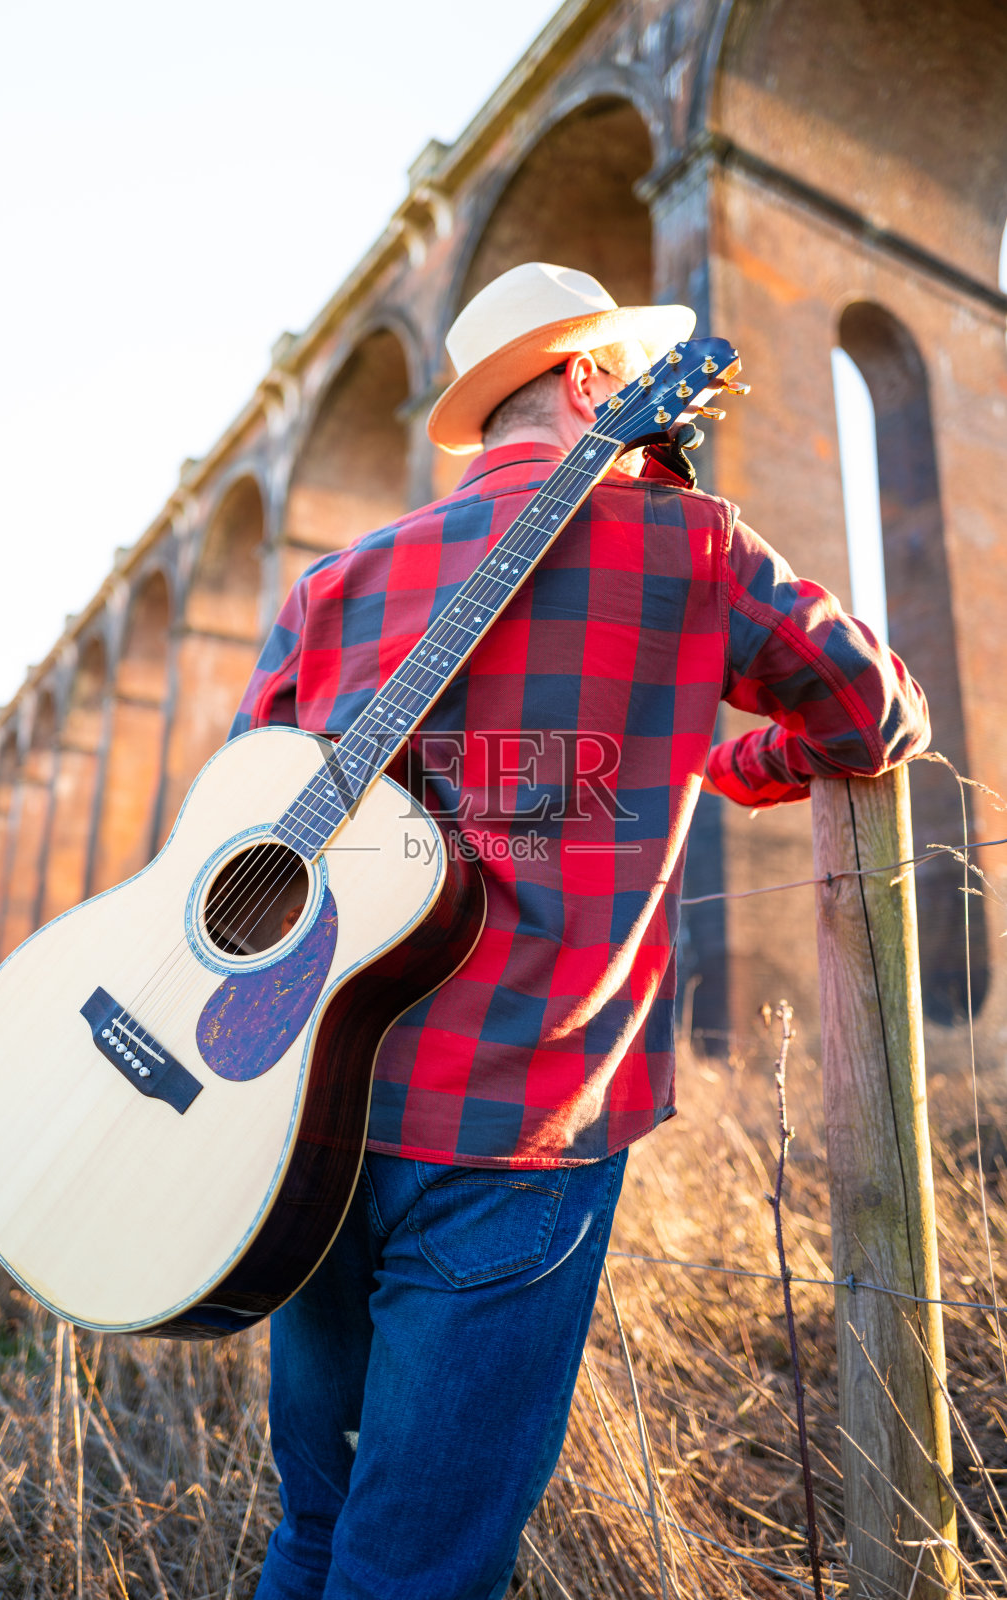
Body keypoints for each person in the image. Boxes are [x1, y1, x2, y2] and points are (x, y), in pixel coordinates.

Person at [228, 262, 930, 1600]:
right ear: (592, 379)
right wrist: (738, 767)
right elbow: (876, 713)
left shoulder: (335, 584)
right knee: (419, 1569)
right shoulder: (693, 546)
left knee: (316, 1531)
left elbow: (239, 830)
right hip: (516, 1127)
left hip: (306, 1124)